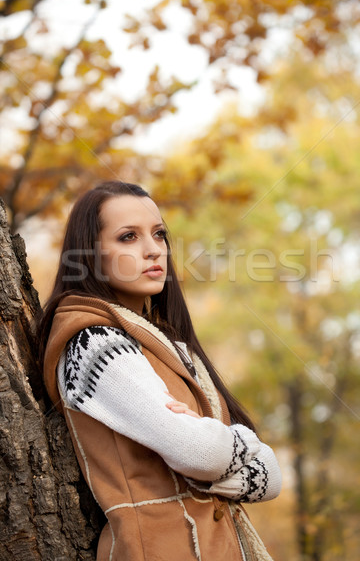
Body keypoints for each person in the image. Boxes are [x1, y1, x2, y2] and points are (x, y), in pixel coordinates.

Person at [39, 180, 282, 561]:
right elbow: (199, 451)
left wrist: (217, 444)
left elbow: (271, 476)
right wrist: (241, 444)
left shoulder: (170, 348)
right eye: (128, 237)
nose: (153, 249)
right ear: (89, 254)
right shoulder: (93, 343)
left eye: (158, 234)